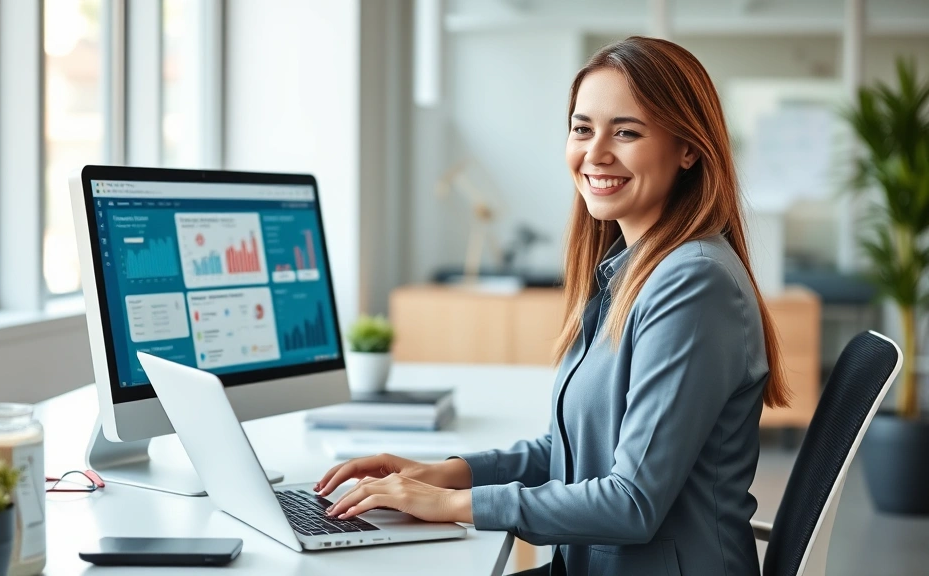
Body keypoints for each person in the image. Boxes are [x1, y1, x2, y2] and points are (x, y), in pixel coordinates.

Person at [315, 36, 790, 576]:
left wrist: (453, 508)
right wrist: (447, 474)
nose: (595, 153)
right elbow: (573, 452)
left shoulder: (693, 282)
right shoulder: (629, 268)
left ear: (688, 149)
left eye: (627, 132)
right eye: (582, 129)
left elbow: (630, 502)